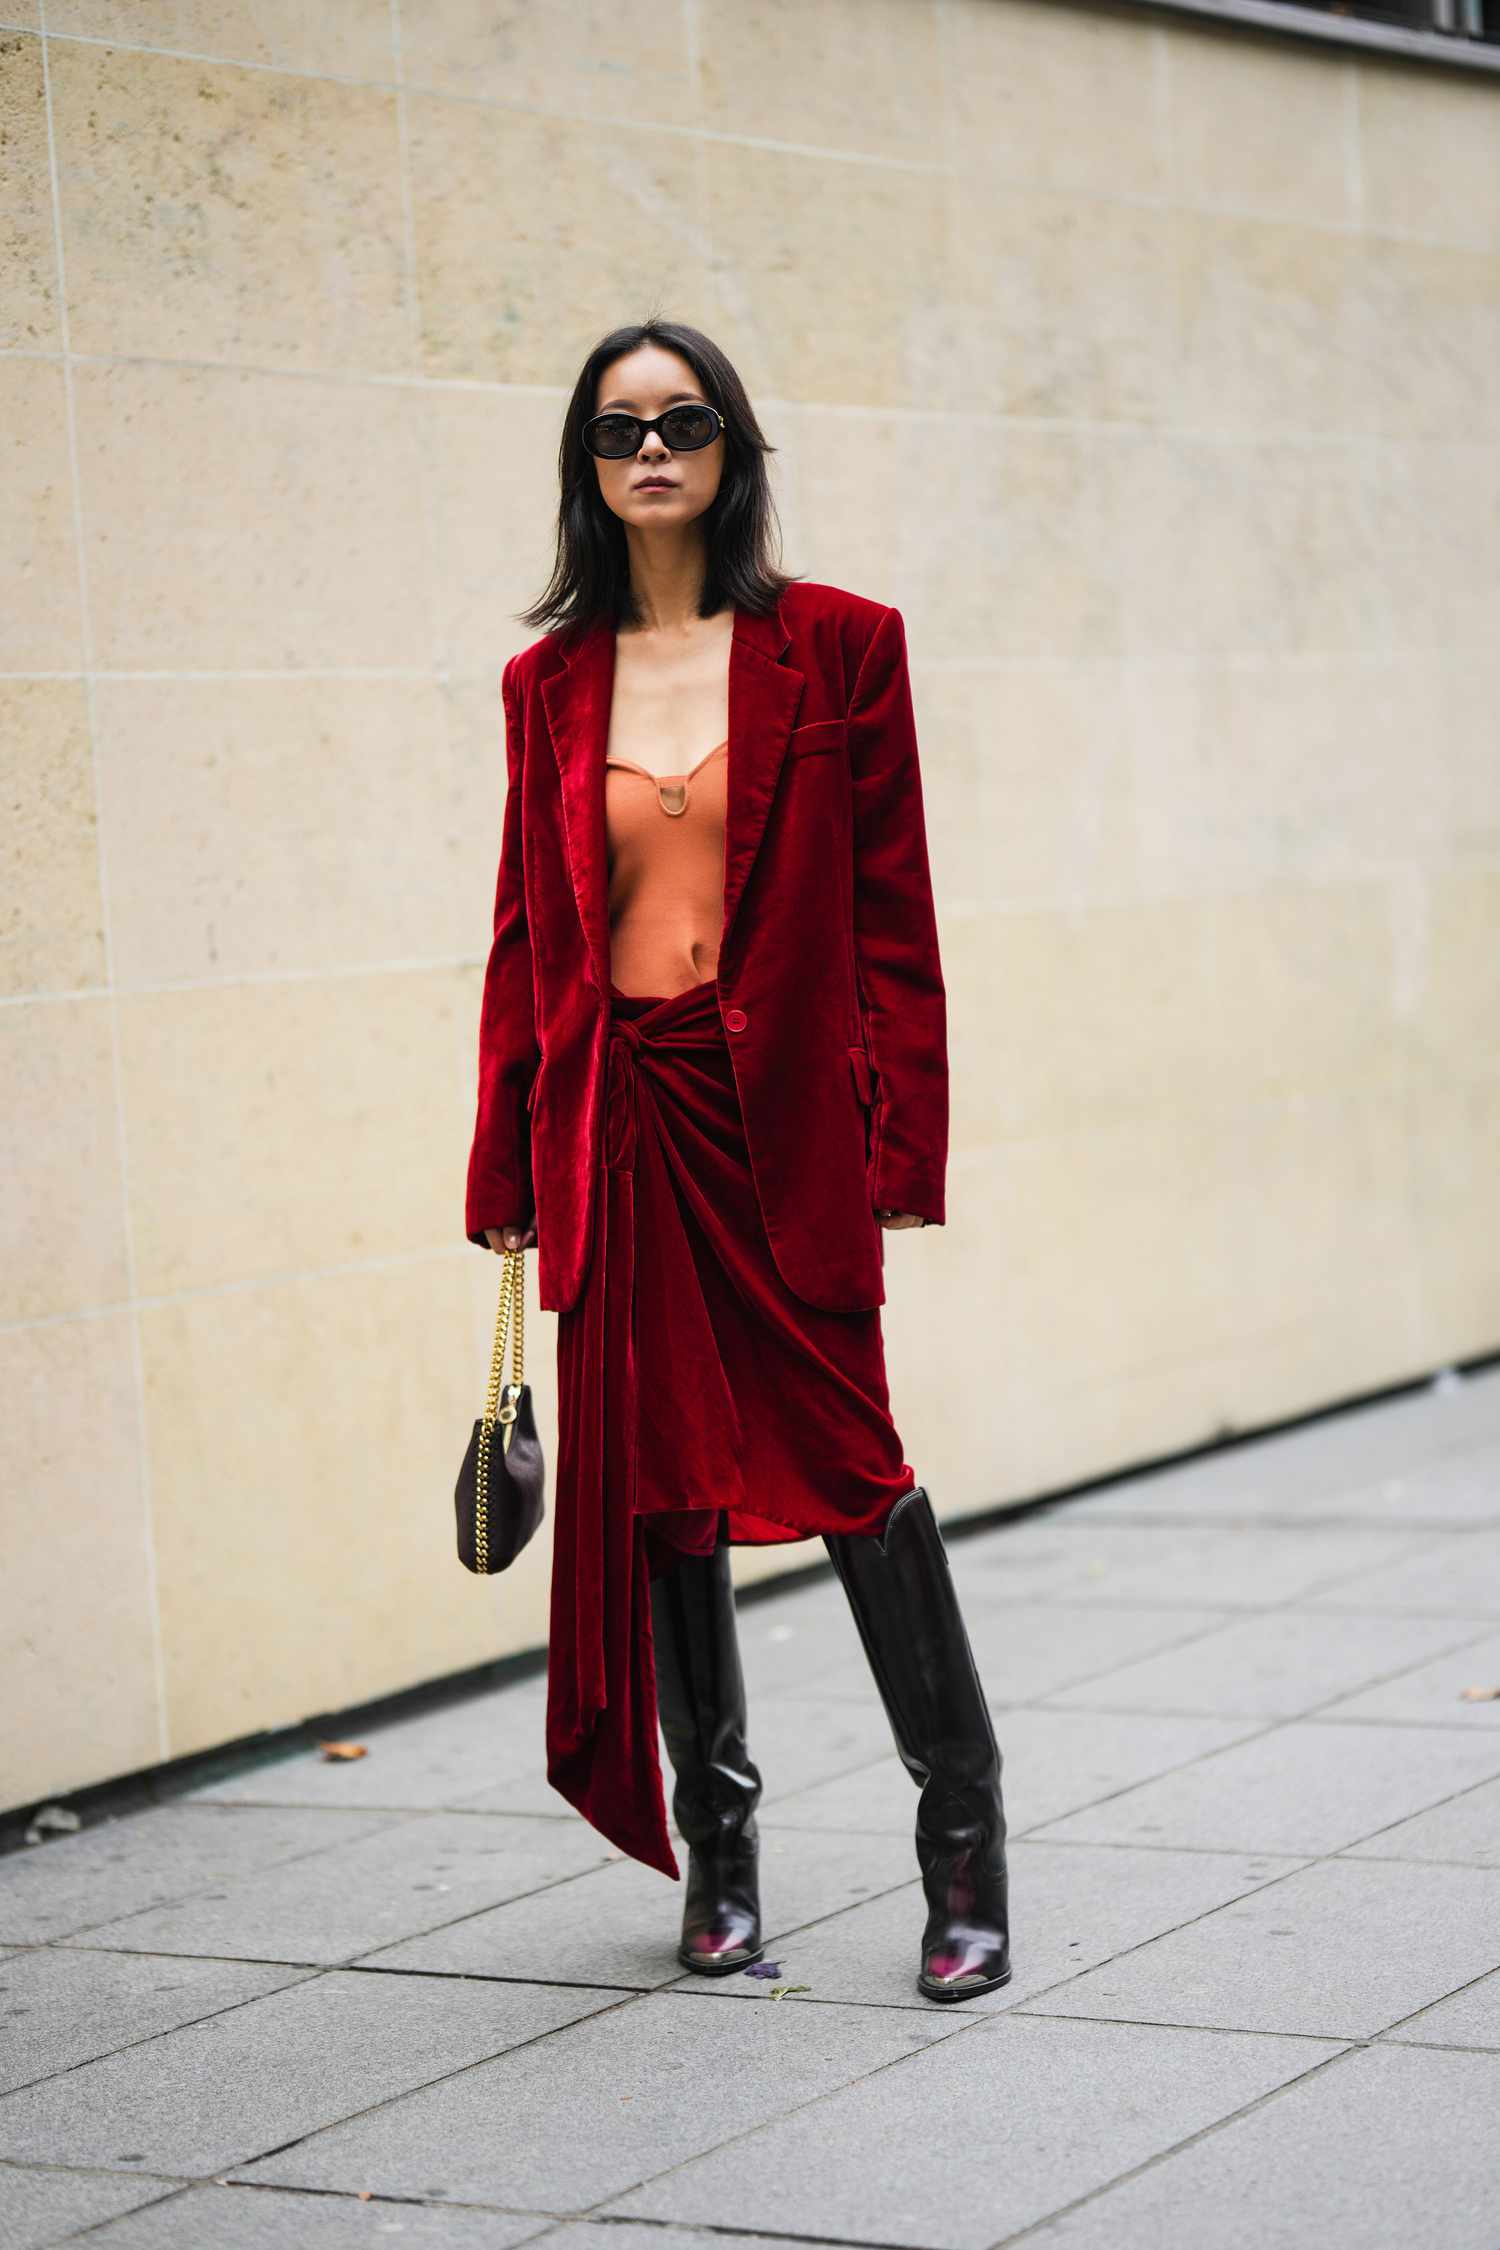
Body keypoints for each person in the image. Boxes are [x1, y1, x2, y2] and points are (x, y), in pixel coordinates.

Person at [464, 315, 1011, 2003]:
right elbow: (521, 930)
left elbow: (896, 916)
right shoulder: (546, 682)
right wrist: (505, 1172)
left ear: (732, 449)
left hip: (775, 1117)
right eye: (619, 426)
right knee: (664, 1484)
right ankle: (724, 1853)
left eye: (684, 420)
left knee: (858, 1463)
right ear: (586, 463)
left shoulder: (843, 646)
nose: (652, 448)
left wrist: (899, 1139)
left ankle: (966, 1851)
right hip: (619, 1122)